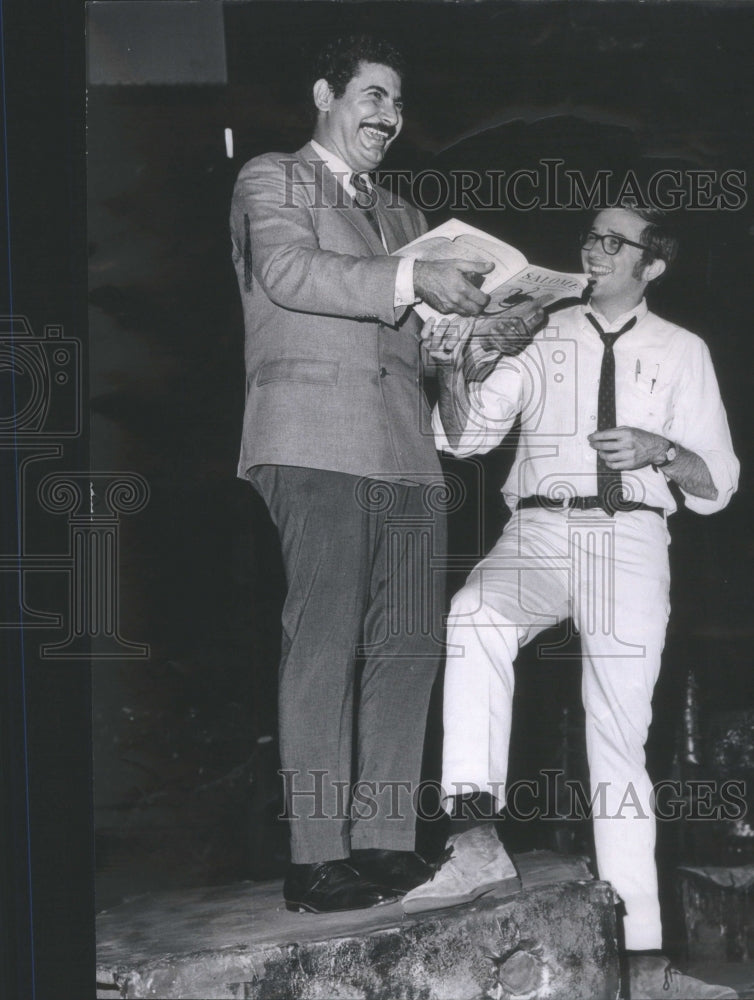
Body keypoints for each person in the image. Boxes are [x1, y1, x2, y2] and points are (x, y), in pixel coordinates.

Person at [405, 206, 740, 999]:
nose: (594, 248)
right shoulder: (543, 330)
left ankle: (643, 965)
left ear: (652, 265)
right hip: (539, 530)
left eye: (613, 242)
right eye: (591, 236)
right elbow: (466, 439)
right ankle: (476, 831)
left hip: (630, 538)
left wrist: (663, 450)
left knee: (617, 739)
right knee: (474, 614)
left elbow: (718, 484)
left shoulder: (683, 351)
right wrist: (456, 365)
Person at [229, 34, 498, 914]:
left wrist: (473, 337)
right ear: (324, 94)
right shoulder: (274, 179)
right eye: (373, 95)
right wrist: (416, 278)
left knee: (410, 641)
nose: (389, 115)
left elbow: (413, 334)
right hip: (311, 433)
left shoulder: (409, 215)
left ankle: (382, 842)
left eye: (397, 103)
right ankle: (314, 855)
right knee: (325, 635)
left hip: (405, 448)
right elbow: (290, 271)